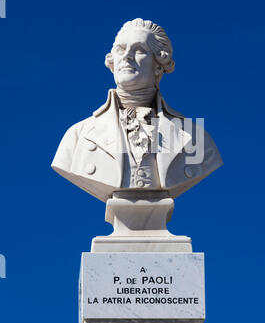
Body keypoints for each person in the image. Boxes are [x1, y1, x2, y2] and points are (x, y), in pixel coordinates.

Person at [51, 18, 223, 202]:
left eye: (139, 50)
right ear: (112, 61)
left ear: (159, 65)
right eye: (120, 49)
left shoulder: (195, 137)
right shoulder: (78, 135)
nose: (127, 56)